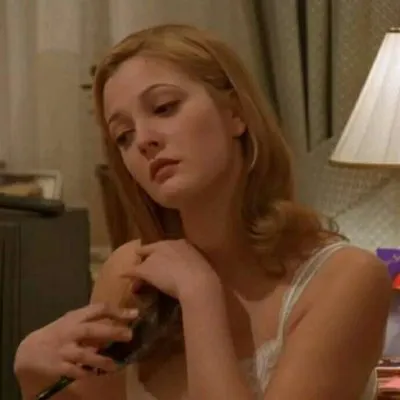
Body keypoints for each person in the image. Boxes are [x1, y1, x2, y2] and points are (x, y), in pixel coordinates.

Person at [14, 23, 391, 400]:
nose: (144, 140)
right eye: (123, 136)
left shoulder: (346, 279)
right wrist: (34, 376)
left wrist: (199, 295)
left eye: (164, 108)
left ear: (236, 113)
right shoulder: (127, 274)